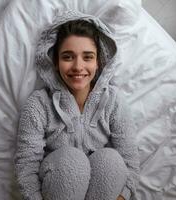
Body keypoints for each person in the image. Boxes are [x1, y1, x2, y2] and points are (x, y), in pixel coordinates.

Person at [14, 10, 140, 200]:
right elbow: (26, 166)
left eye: (87, 57)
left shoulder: (114, 102)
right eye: (67, 57)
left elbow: (130, 160)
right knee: (71, 161)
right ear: (55, 62)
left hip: (101, 188)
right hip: (55, 183)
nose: (78, 66)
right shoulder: (38, 105)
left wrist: (122, 196)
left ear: (99, 62)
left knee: (111, 160)